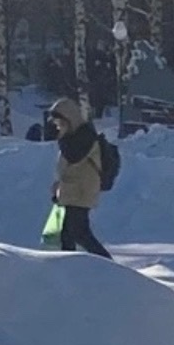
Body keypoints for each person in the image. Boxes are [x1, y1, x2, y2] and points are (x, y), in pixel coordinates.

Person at [46, 97, 112, 260]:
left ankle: (108, 266)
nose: (58, 125)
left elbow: (74, 157)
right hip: (73, 191)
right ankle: (69, 268)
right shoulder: (71, 137)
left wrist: (61, 138)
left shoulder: (83, 137)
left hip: (81, 192)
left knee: (80, 233)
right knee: (67, 234)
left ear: (70, 119)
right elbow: (66, 169)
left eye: (60, 121)